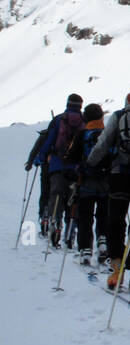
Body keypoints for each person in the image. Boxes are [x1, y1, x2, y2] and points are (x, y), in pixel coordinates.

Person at [87, 83, 130, 290]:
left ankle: (116, 267)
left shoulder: (119, 115)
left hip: (120, 175)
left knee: (115, 221)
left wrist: (90, 164)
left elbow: (103, 143)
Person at [33, 94, 85, 247]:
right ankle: (70, 232)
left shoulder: (59, 120)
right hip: (75, 168)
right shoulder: (84, 120)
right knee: (72, 199)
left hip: (57, 164)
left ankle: (56, 225)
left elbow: (49, 140)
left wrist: (41, 157)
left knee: (56, 195)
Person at [74, 104, 111, 268]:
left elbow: (72, 156)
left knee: (85, 216)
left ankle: (85, 249)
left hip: (86, 183)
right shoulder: (108, 133)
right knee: (103, 215)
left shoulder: (82, 134)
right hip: (106, 183)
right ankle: (103, 242)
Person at [25, 120, 54, 234]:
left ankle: (44, 216)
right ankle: (56, 220)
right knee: (58, 195)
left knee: (45, 193)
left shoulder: (45, 135)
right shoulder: (66, 134)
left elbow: (35, 150)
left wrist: (30, 163)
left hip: (46, 168)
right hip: (63, 170)